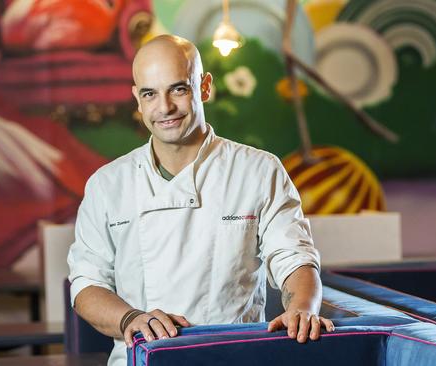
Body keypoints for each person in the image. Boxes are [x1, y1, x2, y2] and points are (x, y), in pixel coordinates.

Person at [67, 34, 333, 365]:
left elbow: (295, 259)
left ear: (204, 87)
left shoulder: (258, 170)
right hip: (140, 360)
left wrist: (302, 308)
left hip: (236, 357)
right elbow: (86, 286)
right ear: (137, 98)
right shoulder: (107, 185)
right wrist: (129, 319)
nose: (164, 108)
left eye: (178, 88)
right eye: (150, 94)